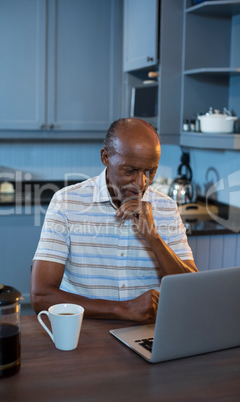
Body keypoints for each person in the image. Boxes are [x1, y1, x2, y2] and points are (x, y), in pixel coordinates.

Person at [31, 118, 198, 322]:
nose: (141, 183)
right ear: (105, 157)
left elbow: (191, 292)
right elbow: (41, 296)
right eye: (130, 170)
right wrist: (122, 309)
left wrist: (153, 238)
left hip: (151, 332)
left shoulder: (166, 207)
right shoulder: (66, 203)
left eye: (150, 171)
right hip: (84, 332)